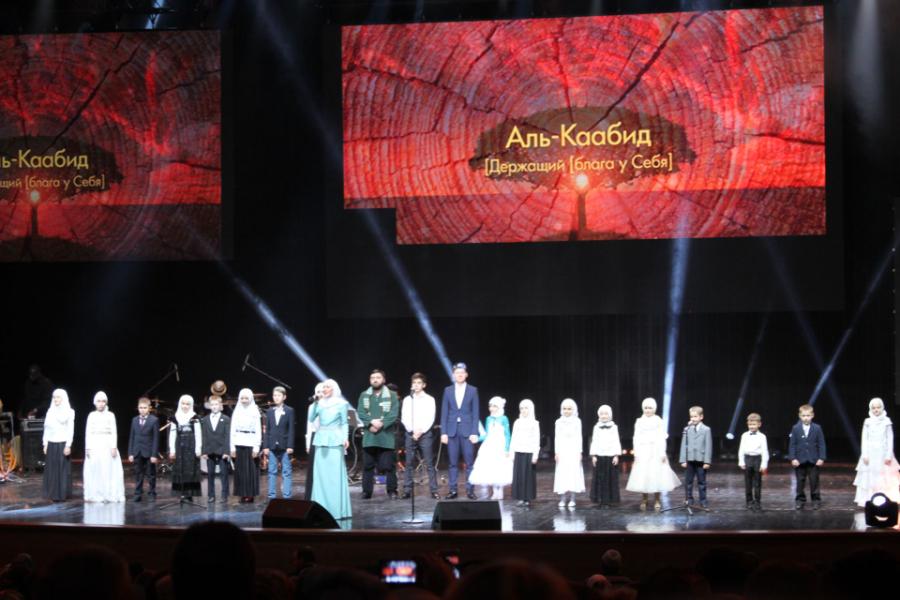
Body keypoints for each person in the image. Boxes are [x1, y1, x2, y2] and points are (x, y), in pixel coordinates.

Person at [626, 397, 680, 512]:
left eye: (650, 408)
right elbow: (636, 438)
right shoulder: (639, 421)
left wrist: (662, 452)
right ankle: (644, 499)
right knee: (643, 475)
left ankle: (657, 499)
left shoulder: (658, 420)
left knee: (657, 475)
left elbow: (662, 438)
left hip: (656, 450)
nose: (648, 410)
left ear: (654, 408)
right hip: (643, 451)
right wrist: (636, 453)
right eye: (646, 408)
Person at [308, 378, 351, 521]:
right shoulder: (319, 403)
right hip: (321, 439)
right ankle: (320, 509)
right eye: (323, 387)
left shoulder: (341, 404)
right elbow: (311, 418)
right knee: (320, 477)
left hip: (335, 440)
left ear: (333, 389)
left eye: (327, 387)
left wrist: (345, 438)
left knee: (334, 477)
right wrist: (315, 403)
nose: (324, 389)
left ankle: (336, 509)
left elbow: (344, 423)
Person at [440, 362, 480, 500]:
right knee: (452, 463)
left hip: (467, 431)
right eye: (457, 373)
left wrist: (474, 432)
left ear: (466, 374)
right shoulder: (448, 390)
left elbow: (475, 413)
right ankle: (453, 490)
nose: (460, 375)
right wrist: (443, 432)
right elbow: (444, 412)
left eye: (462, 373)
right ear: (453, 375)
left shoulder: (473, 390)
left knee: (469, 462)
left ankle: (470, 490)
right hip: (452, 430)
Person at [357, 370, 399, 499]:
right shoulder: (364, 395)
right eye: (372, 378)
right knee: (367, 466)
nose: (375, 380)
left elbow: (393, 413)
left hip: (386, 436)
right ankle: (366, 491)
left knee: (389, 466)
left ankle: (392, 490)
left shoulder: (392, 395)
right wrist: (370, 423)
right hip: (369, 436)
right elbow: (361, 412)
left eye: (378, 377)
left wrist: (381, 424)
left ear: (383, 380)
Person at [853, 397, 900, 506]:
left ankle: (888, 499)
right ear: (870, 409)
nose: (876, 410)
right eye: (873, 408)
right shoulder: (867, 422)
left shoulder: (887, 421)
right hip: (871, 454)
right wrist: (865, 454)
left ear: (882, 408)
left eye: (878, 407)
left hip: (883, 454)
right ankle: (869, 499)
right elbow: (864, 439)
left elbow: (890, 438)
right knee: (870, 477)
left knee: (885, 477)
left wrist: (888, 455)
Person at [400, 372, 439, 499]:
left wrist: (420, 431)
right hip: (410, 434)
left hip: (425, 434)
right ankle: (407, 490)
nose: (416, 385)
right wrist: (412, 431)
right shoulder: (407, 399)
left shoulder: (430, 399)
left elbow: (430, 417)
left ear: (424, 385)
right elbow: (404, 417)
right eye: (414, 383)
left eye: (419, 383)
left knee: (429, 463)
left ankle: (434, 490)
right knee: (409, 462)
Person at [83, 391, 125, 503]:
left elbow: (114, 431)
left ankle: (108, 493)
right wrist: (88, 447)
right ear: (95, 402)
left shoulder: (111, 415)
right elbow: (88, 432)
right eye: (99, 401)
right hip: (95, 445)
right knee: (96, 470)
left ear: (106, 402)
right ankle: (96, 494)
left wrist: (113, 446)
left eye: (103, 401)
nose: (101, 403)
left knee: (107, 470)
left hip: (107, 445)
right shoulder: (91, 415)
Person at [469, 396, 513, 500]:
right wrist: (478, 439)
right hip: (490, 445)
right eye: (490, 406)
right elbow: (486, 434)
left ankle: (500, 491)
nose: (491, 408)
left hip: (500, 445)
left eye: (494, 406)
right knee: (491, 467)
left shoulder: (504, 418)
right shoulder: (488, 419)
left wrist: (507, 449)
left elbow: (507, 435)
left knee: (499, 467)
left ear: (499, 407)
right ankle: (495, 492)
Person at [787, 403, 826, 510]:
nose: (806, 418)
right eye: (803, 415)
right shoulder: (795, 428)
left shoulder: (817, 428)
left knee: (814, 482)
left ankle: (816, 500)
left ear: (812, 415)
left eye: (808, 415)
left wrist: (821, 457)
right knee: (800, 482)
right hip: (800, 460)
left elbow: (821, 444)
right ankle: (800, 500)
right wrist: (793, 458)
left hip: (813, 460)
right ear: (800, 416)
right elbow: (792, 444)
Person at [42, 389, 74, 502]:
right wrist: (45, 443)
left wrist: (68, 445)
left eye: (58, 397)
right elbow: (47, 429)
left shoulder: (69, 412)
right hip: (51, 443)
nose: (56, 399)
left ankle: (62, 493)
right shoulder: (50, 411)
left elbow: (70, 429)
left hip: (62, 444)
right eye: (54, 397)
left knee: (62, 470)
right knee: (52, 470)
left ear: (63, 398)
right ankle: (52, 493)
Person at [263, 386, 295, 499]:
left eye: (278, 395)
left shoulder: (289, 410)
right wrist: (265, 446)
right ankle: (271, 496)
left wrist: (290, 446)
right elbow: (267, 430)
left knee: (286, 472)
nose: (276, 397)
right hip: (272, 446)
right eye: (274, 395)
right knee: (272, 471)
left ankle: (287, 496)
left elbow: (291, 429)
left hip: (284, 446)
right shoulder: (270, 411)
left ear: (284, 397)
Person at [230, 388, 261, 503]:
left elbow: (258, 429)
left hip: (251, 443)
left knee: (250, 470)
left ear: (250, 398)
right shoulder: (237, 411)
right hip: (238, 442)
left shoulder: (254, 411)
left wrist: (257, 447)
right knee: (240, 470)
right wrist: (232, 447)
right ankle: (242, 493)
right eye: (242, 398)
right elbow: (232, 429)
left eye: (246, 398)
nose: (244, 400)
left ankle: (250, 493)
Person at [169, 394, 202, 500]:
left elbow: (198, 434)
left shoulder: (194, 417)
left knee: (190, 468)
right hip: (179, 445)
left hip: (191, 445)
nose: (185, 406)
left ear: (191, 405)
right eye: (183, 404)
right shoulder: (175, 417)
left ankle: (189, 493)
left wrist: (198, 448)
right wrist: (172, 450)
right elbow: (172, 434)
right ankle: (181, 492)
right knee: (180, 468)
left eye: (188, 404)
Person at [678, 405, 712, 508]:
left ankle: (703, 500)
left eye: (695, 416)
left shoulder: (706, 429)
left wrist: (707, 461)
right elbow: (683, 445)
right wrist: (683, 460)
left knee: (702, 482)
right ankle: (689, 499)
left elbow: (708, 446)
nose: (693, 419)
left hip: (701, 460)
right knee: (688, 481)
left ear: (701, 417)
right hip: (690, 459)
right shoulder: (687, 429)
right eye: (691, 416)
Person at [554, 398, 585, 509]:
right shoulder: (558, 422)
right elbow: (557, 437)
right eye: (564, 409)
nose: (567, 411)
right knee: (562, 473)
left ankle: (572, 498)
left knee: (573, 473)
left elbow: (579, 437)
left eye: (569, 409)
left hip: (573, 450)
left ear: (573, 409)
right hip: (562, 450)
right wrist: (556, 452)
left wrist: (580, 451)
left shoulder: (577, 421)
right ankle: (562, 498)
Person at [589, 404, 622, 507]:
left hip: (610, 456)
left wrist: (616, 455)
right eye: (602, 414)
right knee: (600, 479)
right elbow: (594, 441)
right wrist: (593, 455)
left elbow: (616, 441)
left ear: (610, 415)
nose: (604, 416)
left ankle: (608, 500)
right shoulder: (596, 427)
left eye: (606, 414)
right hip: (600, 456)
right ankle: (600, 500)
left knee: (610, 479)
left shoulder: (614, 427)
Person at [510, 398, 540, 507]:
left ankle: (527, 498)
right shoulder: (517, 422)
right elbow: (513, 438)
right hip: (518, 451)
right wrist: (511, 452)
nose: (523, 410)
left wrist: (535, 454)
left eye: (526, 408)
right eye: (521, 408)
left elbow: (536, 439)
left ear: (531, 409)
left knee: (528, 477)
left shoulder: (535, 423)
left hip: (529, 453)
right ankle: (520, 497)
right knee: (519, 476)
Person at [128, 397, 159, 502]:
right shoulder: (134, 420)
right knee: (138, 473)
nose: (142, 410)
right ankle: (138, 493)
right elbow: (132, 437)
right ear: (138, 408)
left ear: (149, 408)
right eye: (140, 408)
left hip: (149, 451)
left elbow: (155, 438)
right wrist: (130, 452)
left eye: (145, 408)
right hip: (137, 450)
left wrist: (154, 454)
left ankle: (152, 492)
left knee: (151, 474)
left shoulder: (154, 420)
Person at [200, 395, 230, 503]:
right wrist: (204, 451)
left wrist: (226, 451)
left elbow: (227, 436)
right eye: (212, 404)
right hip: (210, 450)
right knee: (210, 474)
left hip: (222, 450)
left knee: (224, 474)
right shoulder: (205, 420)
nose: (214, 406)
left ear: (220, 405)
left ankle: (224, 495)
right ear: (209, 406)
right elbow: (204, 436)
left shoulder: (226, 419)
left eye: (216, 404)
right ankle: (211, 495)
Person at [738, 412, 769, 511]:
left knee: (757, 482)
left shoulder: (762, 436)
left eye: (754, 424)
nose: (751, 426)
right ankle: (749, 501)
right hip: (748, 458)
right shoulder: (744, 435)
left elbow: (765, 451)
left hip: (757, 459)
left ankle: (757, 501)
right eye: (750, 424)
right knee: (748, 482)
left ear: (759, 424)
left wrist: (764, 464)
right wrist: (741, 461)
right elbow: (741, 449)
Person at [304, 382, 324, 501]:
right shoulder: (312, 407)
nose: (319, 394)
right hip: (315, 437)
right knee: (313, 468)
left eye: (321, 391)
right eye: (317, 392)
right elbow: (309, 426)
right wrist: (307, 444)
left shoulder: (330, 406)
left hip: (326, 437)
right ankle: (311, 495)